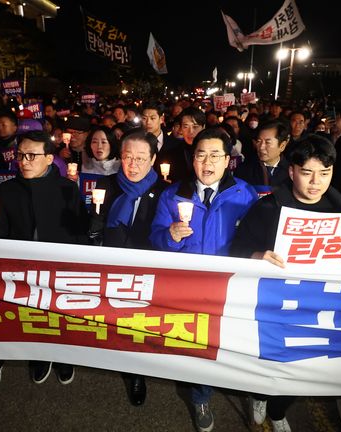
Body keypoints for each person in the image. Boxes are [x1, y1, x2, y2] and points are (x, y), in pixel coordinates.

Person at [230, 134, 341, 432]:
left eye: (325, 173)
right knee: (269, 358)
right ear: (292, 171)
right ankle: (259, 395)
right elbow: (237, 249)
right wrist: (258, 255)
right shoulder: (268, 208)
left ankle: (278, 409)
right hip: (274, 302)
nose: (316, 182)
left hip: (318, 305)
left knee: (305, 363)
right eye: (307, 173)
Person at [150, 127, 258, 432]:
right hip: (189, 288)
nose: (207, 162)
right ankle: (200, 396)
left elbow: (257, 238)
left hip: (232, 286)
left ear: (227, 161)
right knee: (199, 344)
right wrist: (169, 235)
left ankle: (249, 388)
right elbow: (155, 239)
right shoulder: (172, 195)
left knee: (235, 342)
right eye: (200, 155)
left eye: (215, 155)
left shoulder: (245, 194)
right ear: (191, 159)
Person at [0, 130, 89, 387]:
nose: (25, 161)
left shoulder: (66, 188)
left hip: (61, 267)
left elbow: (78, 229)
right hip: (24, 268)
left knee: (62, 313)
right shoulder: (7, 189)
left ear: (50, 159)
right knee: (33, 315)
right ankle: (41, 355)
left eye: (32, 155)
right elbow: (3, 233)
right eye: (20, 155)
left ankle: (64, 357)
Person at [88, 130, 169, 406]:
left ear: (153, 159)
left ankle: (137, 372)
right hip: (110, 266)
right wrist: (93, 226)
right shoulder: (107, 184)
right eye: (127, 157)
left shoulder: (165, 193)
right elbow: (89, 222)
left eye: (140, 158)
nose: (133, 165)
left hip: (147, 271)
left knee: (139, 323)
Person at [234, 121, 291, 192]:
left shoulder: (292, 173)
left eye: (267, 142)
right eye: (259, 141)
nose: (261, 147)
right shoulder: (243, 170)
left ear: (282, 146)